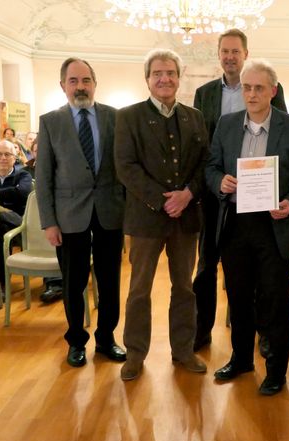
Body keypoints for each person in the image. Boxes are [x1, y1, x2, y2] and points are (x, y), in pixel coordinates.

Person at [205, 59, 289, 396]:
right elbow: (210, 167)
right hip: (235, 225)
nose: (251, 94)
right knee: (237, 298)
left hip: (274, 226)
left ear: (273, 91)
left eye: (259, 88)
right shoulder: (225, 125)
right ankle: (241, 359)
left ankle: (276, 370)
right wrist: (219, 182)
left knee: (274, 300)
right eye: (247, 88)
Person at [114, 49, 209, 381]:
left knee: (184, 287)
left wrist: (188, 194)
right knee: (139, 289)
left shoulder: (194, 117)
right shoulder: (128, 117)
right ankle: (135, 354)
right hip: (144, 219)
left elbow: (204, 165)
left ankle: (183, 350)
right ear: (147, 79)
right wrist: (162, 199)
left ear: (179, 78)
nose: (164, 78)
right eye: (157, 73)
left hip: (187, 218)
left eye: (170, 72)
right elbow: (125, 167)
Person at [192, 28, 287, 352]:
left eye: (236, 51)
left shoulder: (271, 89)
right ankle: (201, 330)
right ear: (218, 55)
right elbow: (202, 147)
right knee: (206, 267)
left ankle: (257, 333)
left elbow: (281, 136)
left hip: (259, 198)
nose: (230, 56)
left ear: (245, 54)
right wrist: (215, 181)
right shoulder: (204, 93)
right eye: (225, 51)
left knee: (252, 272)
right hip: (217, 197)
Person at [36, 57, 126, 368]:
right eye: (73, 81)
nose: (80, 87)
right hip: (69, 216)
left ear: (95, 84)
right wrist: (48, 222)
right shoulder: (50, 122)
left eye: (86, 80)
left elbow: (124, 169)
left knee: (110, 280)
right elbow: (43, 176)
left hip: (110, 213)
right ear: (63, 86)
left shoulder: (115, 118)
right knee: (73, 283)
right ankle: (76, 341)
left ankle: (106, 339)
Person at [0, 140, 32, 304]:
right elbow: (15, 193)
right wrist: (10, 192)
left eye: (7, 154)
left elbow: (22, 193)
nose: (3, 158)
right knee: (0, 228)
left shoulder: (23, 175)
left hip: (20, 224)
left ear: (15, 156)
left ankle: (1, 285)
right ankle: (1, 284)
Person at [23, 137, 64, 304]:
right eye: (36, 150)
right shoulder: (26, 170)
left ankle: (54, 283)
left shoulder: (60, 171)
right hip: (29, 217)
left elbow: (22, 192)